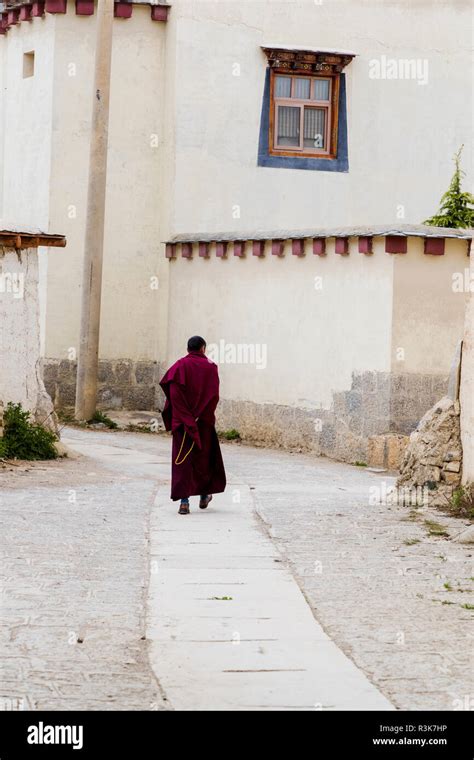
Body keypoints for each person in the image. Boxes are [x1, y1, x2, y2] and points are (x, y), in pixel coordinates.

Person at [159, 336, 226, 514]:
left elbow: (175, 396)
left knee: (183, 461)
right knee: (204, 458)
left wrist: (187, 418)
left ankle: (184, 502)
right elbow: (213, 396)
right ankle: (204, 495)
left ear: (188, 349)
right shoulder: (211, 368)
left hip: (182, 423)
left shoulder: (179, 367)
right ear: (203, 348)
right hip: (203, 422)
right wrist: (199, 417)